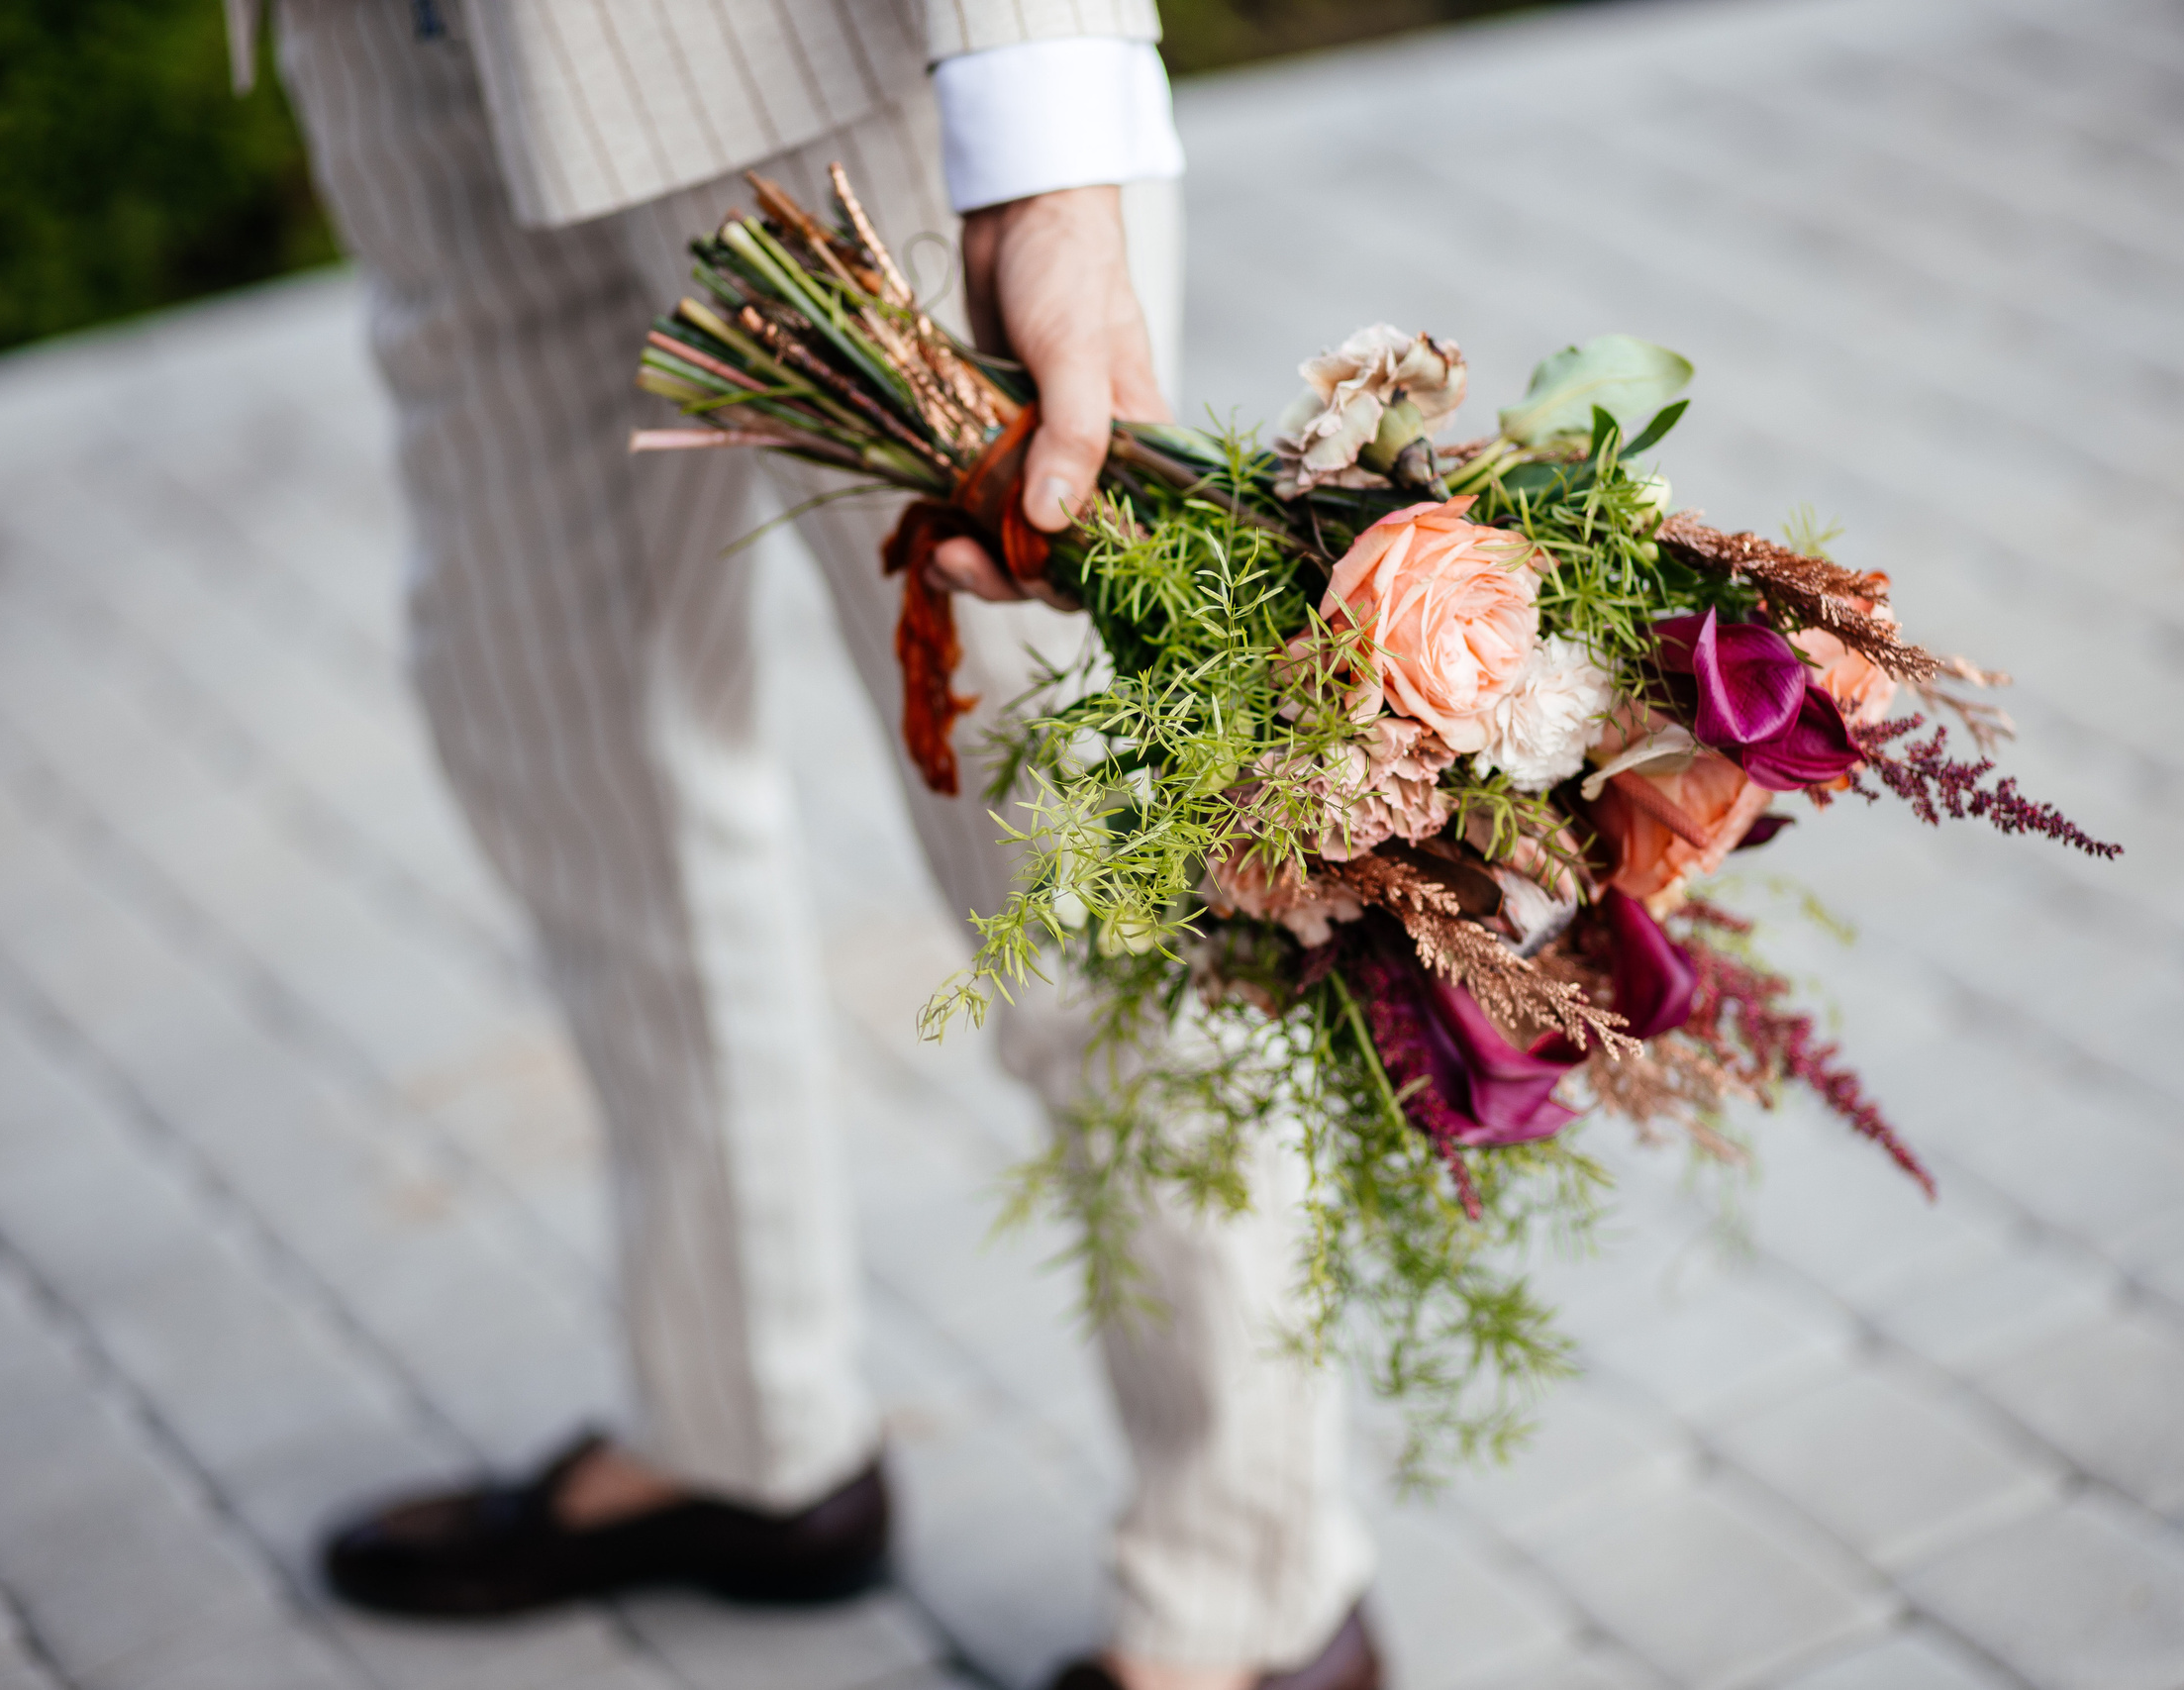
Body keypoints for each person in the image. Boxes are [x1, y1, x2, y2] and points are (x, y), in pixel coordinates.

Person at [231, 2, 1378, 1685]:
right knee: (562, 744)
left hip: (802, 59)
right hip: (420, 58)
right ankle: (738, 1426)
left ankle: (1255, 1599)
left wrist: (1049, 159)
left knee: (1077, 869)